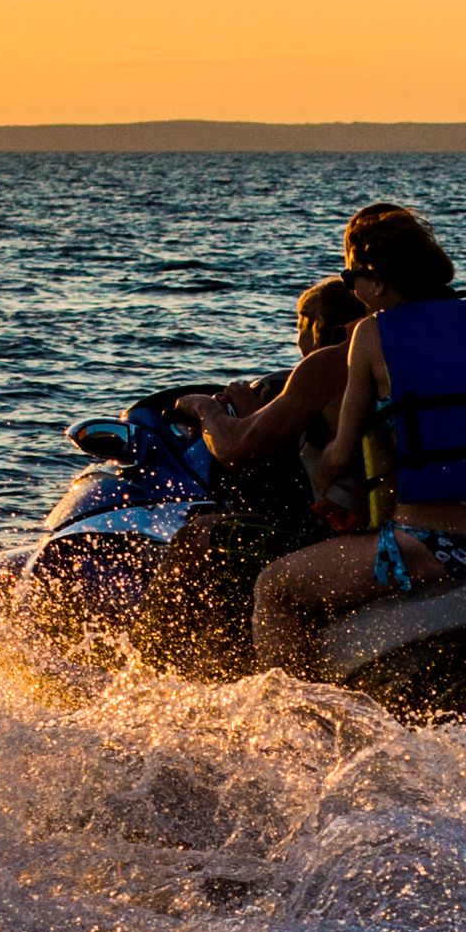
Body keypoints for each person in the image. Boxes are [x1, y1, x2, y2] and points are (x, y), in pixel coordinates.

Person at [254, 203, 466, 674]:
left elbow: (340, 453)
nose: (353, 292)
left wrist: (322, 493)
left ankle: (299, 720)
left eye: (352, 279)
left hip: (432, 546)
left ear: (376, 280)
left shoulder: (373, 333)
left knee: (276, 589)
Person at [135, 275, 373, 675]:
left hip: (335, 537)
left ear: (325, 330)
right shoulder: (384, 363)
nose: (298, 339)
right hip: (380, 523)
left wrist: (207, 410)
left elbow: (237, 453)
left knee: (200, 535)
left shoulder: (326, 369)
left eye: (302, 324)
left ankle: (151, 666)